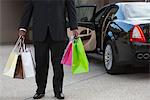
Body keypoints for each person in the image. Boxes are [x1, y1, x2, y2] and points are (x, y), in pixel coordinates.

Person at [18, 0, 78, 99]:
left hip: (58, 32)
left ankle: (58, 91)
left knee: (58, 65)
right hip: (40, 33)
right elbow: (28, 8)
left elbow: (71, 8)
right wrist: (23, 27)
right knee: (41, 64)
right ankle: (40, 90)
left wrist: (74, 27)